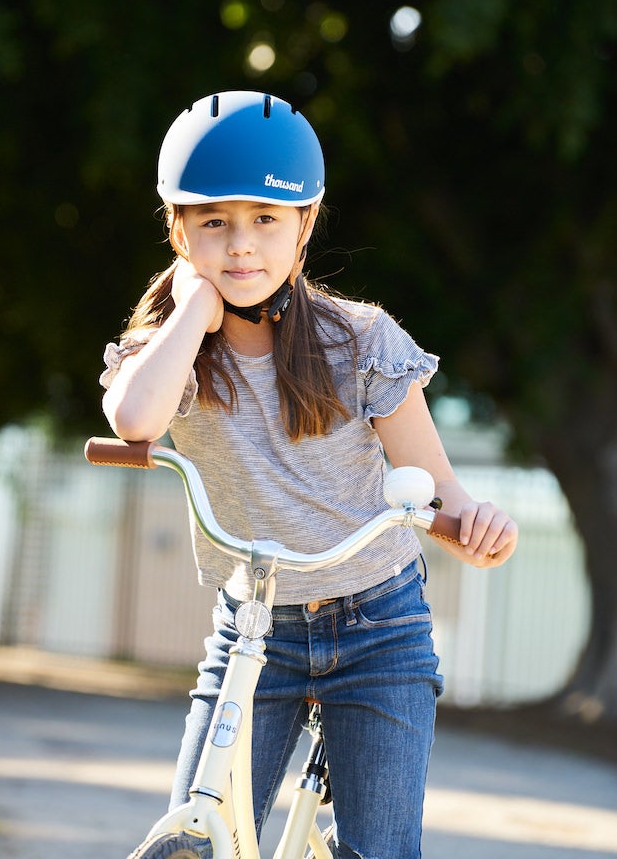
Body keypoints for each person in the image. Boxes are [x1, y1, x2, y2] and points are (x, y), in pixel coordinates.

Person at [100, 90, 518, 859]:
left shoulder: (358, 341)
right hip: (253, 626)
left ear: (306, 225)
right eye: (212, 222)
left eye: (265, 219)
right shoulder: (172, 354)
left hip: (378, 626)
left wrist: (475, 525)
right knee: (198, 833)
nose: (240, 246)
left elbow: (439, 490)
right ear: (177, 229)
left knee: (380, 848)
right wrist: (192, 309)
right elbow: (134, 421)